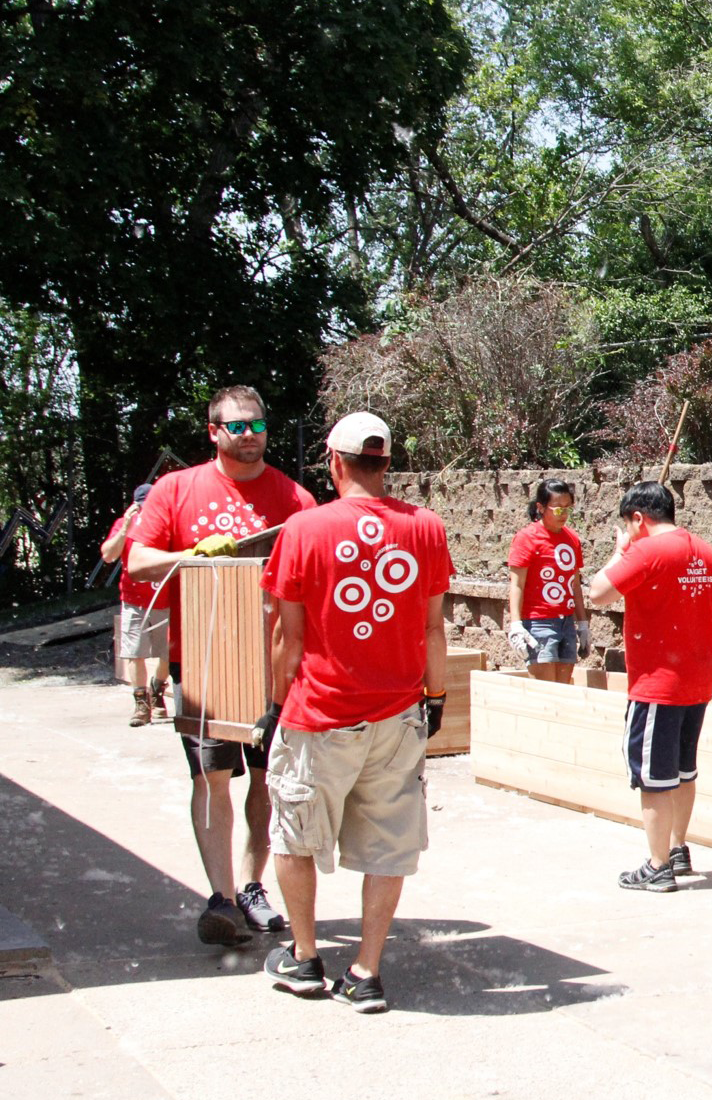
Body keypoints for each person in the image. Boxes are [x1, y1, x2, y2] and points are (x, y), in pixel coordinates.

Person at [259, 412, 452, 1012]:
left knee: (295, 837)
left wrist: (272, 707)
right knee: (388, 845)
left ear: (334, 462)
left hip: (319, 714)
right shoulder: (426, 528)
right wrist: (437, 697)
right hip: (398, 715)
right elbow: (432, 628)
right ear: (386, 463)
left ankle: (306, 956)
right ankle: (366, 971)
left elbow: (286, 637)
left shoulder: (303, 528)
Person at [126, 385, 316, 945]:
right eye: (237, 426)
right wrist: (192, 554)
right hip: (205, 659)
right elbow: (136, 562)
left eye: (257, 425)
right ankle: (221, 897)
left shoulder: (293, 497)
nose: (250, 435)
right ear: (214, 432)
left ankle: (253, 887)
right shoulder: (176, 489)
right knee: (210, 778)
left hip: (272, 662)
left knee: (267, 777)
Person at [585, 480, 712, 892]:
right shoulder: (706, 552)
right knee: (684, 770)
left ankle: (657, 864)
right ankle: (678, 849)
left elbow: (597, 593)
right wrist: (705, 661)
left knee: (653, 776)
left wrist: (620, 550)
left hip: (656, 685)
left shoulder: (643, 550)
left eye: (627, 526)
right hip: (698, 681)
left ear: (637, 518)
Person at [506, 478, 589, 683]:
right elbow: (517, 584)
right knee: (544, 691)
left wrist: (583, 623)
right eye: (558, 509)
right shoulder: (527, 537)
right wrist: (516, 625)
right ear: (541, 508)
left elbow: (575, 584)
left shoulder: (572, 539)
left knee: (563, 688)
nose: (564, 515)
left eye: (568, 508)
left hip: (566, 622)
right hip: (538, 622)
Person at [101, 482, 171, 726]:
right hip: (134, 599)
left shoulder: (168, 522)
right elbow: (108, 555)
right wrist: (125, 530)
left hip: (165, 597)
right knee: (135, 653)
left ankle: (157, 692)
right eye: (144, 507)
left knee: (168, 654)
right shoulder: (124, 524)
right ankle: (141, 704)